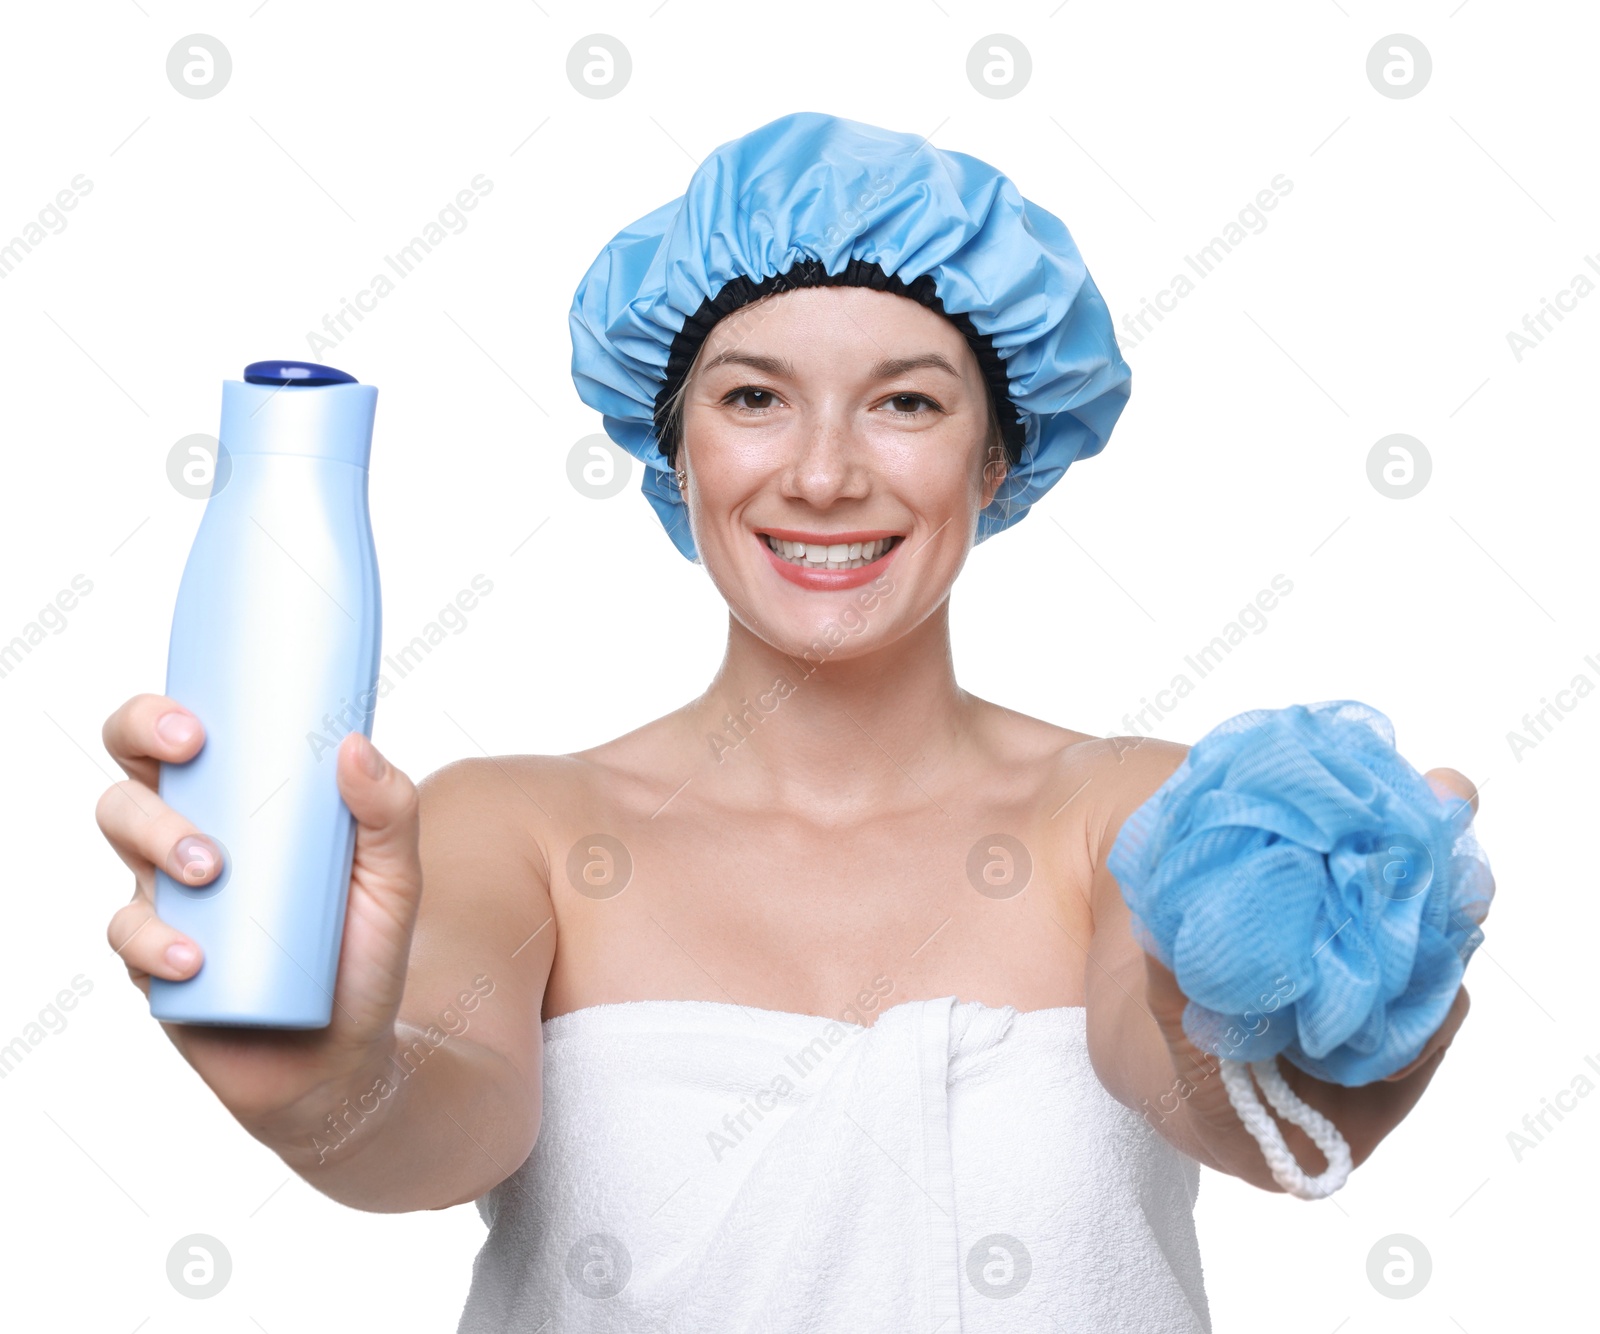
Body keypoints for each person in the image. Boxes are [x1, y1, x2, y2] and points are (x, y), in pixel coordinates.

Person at [96, 112, 1479, 1332]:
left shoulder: (1126, 813)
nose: (822, 472)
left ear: (999, 455)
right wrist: (319, 1080)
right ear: (673, 443)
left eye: (908, 403)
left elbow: (1213, 1096)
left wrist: (1339, 998)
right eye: (754, 397)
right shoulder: (515, 826)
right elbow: (438, 1123)